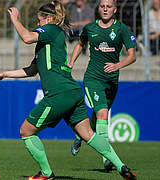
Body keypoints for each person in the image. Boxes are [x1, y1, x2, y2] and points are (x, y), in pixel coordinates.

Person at [0, 1, 136, 180]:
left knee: (26, 132)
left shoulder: (50, 30)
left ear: (49, 18)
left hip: (59, 93)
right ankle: (121, 166)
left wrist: (15, 19)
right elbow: (31, 70)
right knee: (88, 134)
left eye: (39, 20)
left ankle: (46, 173)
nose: (38, 24)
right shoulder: (47, 40)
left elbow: (26, 37)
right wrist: (3, 74)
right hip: (72, 91)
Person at [68, 0, 137, 172]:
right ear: (98, 9)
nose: (105, 9)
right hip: (93, 78)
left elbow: (132, 56)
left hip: (112, 80)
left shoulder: (121, 29)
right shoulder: (90, 28)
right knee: (103, 113)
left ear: (114, 10)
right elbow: (80, 44)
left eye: (109, 6)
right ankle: (107, 158)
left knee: (97, 117)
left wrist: (117, 65)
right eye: (102, 6)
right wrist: (71, 63)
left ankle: (80, 134)